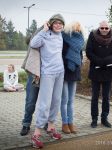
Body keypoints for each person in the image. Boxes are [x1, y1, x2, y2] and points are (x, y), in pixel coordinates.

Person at [29, 14, 65, 149]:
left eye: (60, 23)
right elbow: (33, 43)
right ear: (51, 24)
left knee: (56, 101)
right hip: (47, 73)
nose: (58, 25)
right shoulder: (45, 34)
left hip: (60, 72)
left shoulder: (61, 35)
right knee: (45, 103)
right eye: (55, 23)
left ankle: (51, 128)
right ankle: (36, 133)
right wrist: (43, 30)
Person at [86, 21, 112, 128]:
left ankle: (104, 118)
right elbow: (89, 52)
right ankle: (94, 119)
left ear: (109, 28)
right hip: (95, 70)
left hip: (108, 71)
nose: (104, 30)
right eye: (102, 28)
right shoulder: (92, 35)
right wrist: (98, 61)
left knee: (106, 97)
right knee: (94, 97)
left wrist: (104, 61)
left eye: (106, 28)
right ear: (99, 28)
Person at [61, 22, 85, 134]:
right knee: (64, 100)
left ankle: (71, 122)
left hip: (75, 71)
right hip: (64, 71)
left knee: (71, 100)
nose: (77, 28)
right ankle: (64, 123)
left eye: (79, 27)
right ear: (70, 28)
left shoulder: (80, 40)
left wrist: (79, 62)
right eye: (75, 27)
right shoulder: (64, 37)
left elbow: (80, 56)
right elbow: (60, 54)